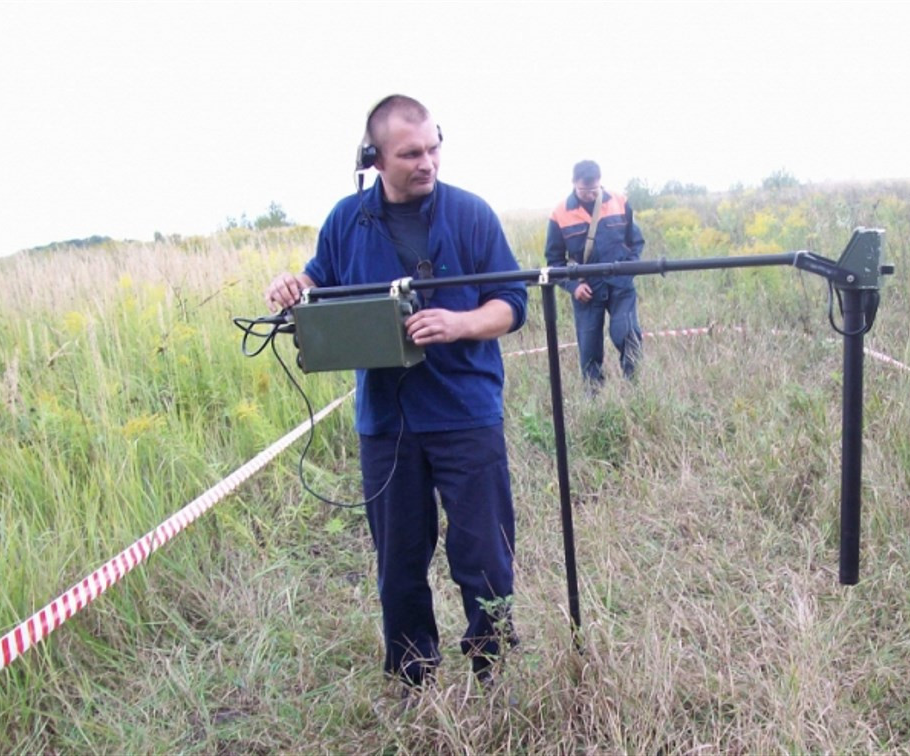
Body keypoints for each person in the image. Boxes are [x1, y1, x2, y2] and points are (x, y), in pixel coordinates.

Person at [264, 95, 526, 692]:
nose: (427, 162)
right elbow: (318, 281)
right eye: (411, 153)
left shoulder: (471, 215)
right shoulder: (346, 220)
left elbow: (513, 303)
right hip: (387, 424)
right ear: (374, 157)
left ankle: (495, 669)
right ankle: (414, 678)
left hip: (466, 414)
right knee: (399, 563)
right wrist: (291, 286)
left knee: (484, 553)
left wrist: (457, 324)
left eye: (434, 147)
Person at [545, 160, 646, 385]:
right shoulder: (559, 214)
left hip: (621, 287)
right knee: (589, 351)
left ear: (600, 183)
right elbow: (554, 261)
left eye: (594, 190)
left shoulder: (619, 202)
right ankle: (594, 403)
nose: (590, 195)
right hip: (586, 291)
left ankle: (637, 391)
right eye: (584, 190)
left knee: (627, 335)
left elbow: (636, 242)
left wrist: (628, 270)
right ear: (573, 184)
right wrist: (573, 287)